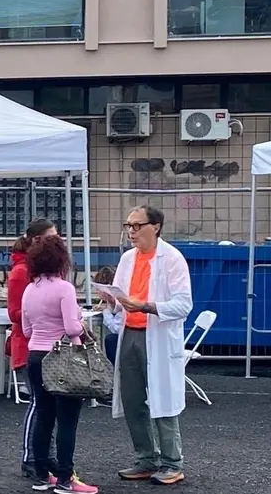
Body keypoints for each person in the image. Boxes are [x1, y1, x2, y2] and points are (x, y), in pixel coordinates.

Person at [97, 205, 193, 486]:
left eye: (137, 226)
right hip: (130, 334)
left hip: (158, 336)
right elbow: (121, 300)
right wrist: (112, 302)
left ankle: (172, 463)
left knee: (163, 400)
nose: (131, 232)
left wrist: (146, 306)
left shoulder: (172, 259)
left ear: (156, 227)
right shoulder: (127, 259)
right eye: (128, 226)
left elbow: (184, 304)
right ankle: (146, 458)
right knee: (132, 399)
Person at [21, 234, 97, 494]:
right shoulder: (64, 288)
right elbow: (71, 327)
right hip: (63, 358)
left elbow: (26, 329)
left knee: (44, 417)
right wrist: (79, 318)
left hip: (36, 357)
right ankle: (66, 478)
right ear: (61, 259)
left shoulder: (29, 289)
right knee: (67, 420)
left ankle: (42, 475)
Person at [7, 217, 58, 479]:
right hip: (30, 344)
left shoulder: (43, 269)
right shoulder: (20, 272)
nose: (57, 241)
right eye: (52, 236)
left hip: (47, 342)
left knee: (50, 404)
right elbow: (14, 312)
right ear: (37, 240)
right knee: (39, 403)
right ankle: (30, 455)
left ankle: (44, 454)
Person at [94, 267, 120, 364]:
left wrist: (107, 312)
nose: (96, 291)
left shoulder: (120, 301)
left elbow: (116, 328)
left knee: (110, 339)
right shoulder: (112, 303)